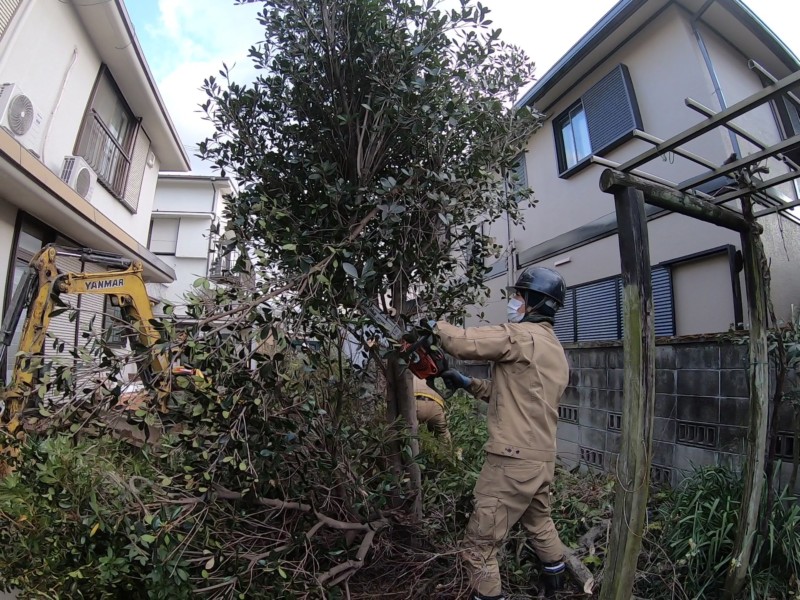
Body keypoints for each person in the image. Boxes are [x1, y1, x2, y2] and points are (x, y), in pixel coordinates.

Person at [433, 267, 570, 600]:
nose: (513, 302)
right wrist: (468, 383)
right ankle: (557, 590)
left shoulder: (522, 336)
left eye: (518, 296)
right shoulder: (554, 349)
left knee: (479, 547)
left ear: (535, 302)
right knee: (540, 524)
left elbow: (461, 343)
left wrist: (432, 325)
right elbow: (515, 393)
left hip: (512, 462)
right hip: (540, 461)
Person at [413, 375, 451, 441]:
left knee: (410, 432)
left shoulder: (407, 377)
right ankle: (448, 450)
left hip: (416, 402)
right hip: (435, 404)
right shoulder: (428, 377)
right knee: (443, 435)